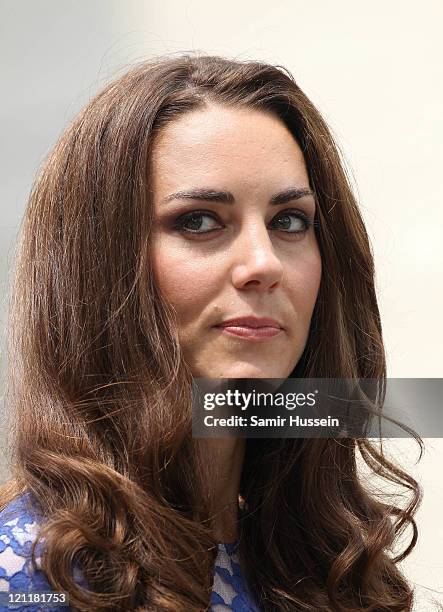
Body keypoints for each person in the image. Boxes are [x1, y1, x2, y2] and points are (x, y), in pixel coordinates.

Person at [0, 53, 423, 611]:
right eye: (198, 220)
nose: (263, 263)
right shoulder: (33, 575)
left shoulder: (326, 557)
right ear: (99, 268)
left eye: (288, 221)